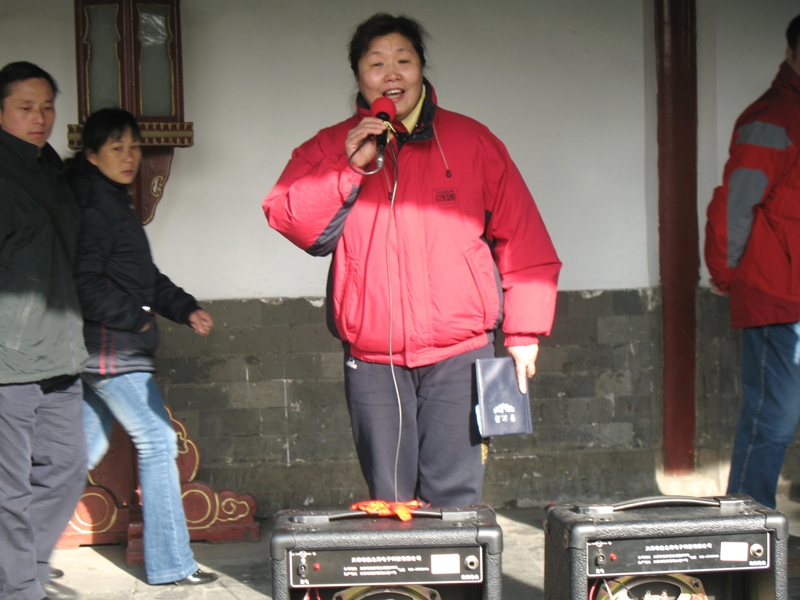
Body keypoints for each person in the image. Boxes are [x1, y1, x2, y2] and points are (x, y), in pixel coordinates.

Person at [263, 14, 561, 508]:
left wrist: (524, 332)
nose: (392, 74)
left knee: (454, 501)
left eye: (404, 60)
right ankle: (404, 590)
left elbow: (523, 236)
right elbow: (295, 222)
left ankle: (460, 587)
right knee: (391, 502)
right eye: (377, 63)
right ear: (358, 75)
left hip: (459, 351)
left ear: (422, 68)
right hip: (375, 359)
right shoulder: (330, 145)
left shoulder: (472, 141)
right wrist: (351, 165)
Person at [68, 108, 217, 586]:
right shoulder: (95, 209)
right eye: (117, 148)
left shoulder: (114, 204)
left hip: (109, 353)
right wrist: (140, 319)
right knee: (157, 442)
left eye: (134, 146)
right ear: (92, 156)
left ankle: (16, 547)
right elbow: (85, 284)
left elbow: (144, 278)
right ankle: (172, 563)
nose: (130, 156)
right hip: (116, 354)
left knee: (78, 453)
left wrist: (183, 307)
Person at [0, 61, 89, 600]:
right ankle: (19, 587)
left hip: (59, 349)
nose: (40, 118)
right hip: (8, 359)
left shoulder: (51, 168)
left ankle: (23, 568)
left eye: (48, 107)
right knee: (8, 488)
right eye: (26, 108)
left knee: (67, 466)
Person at [705, 14, 800, 509]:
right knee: (772, 419)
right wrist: (727, 272)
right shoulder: (775, 118)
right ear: (790, 54)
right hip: (779, 293)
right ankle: (745, 533)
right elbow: (736, 203)